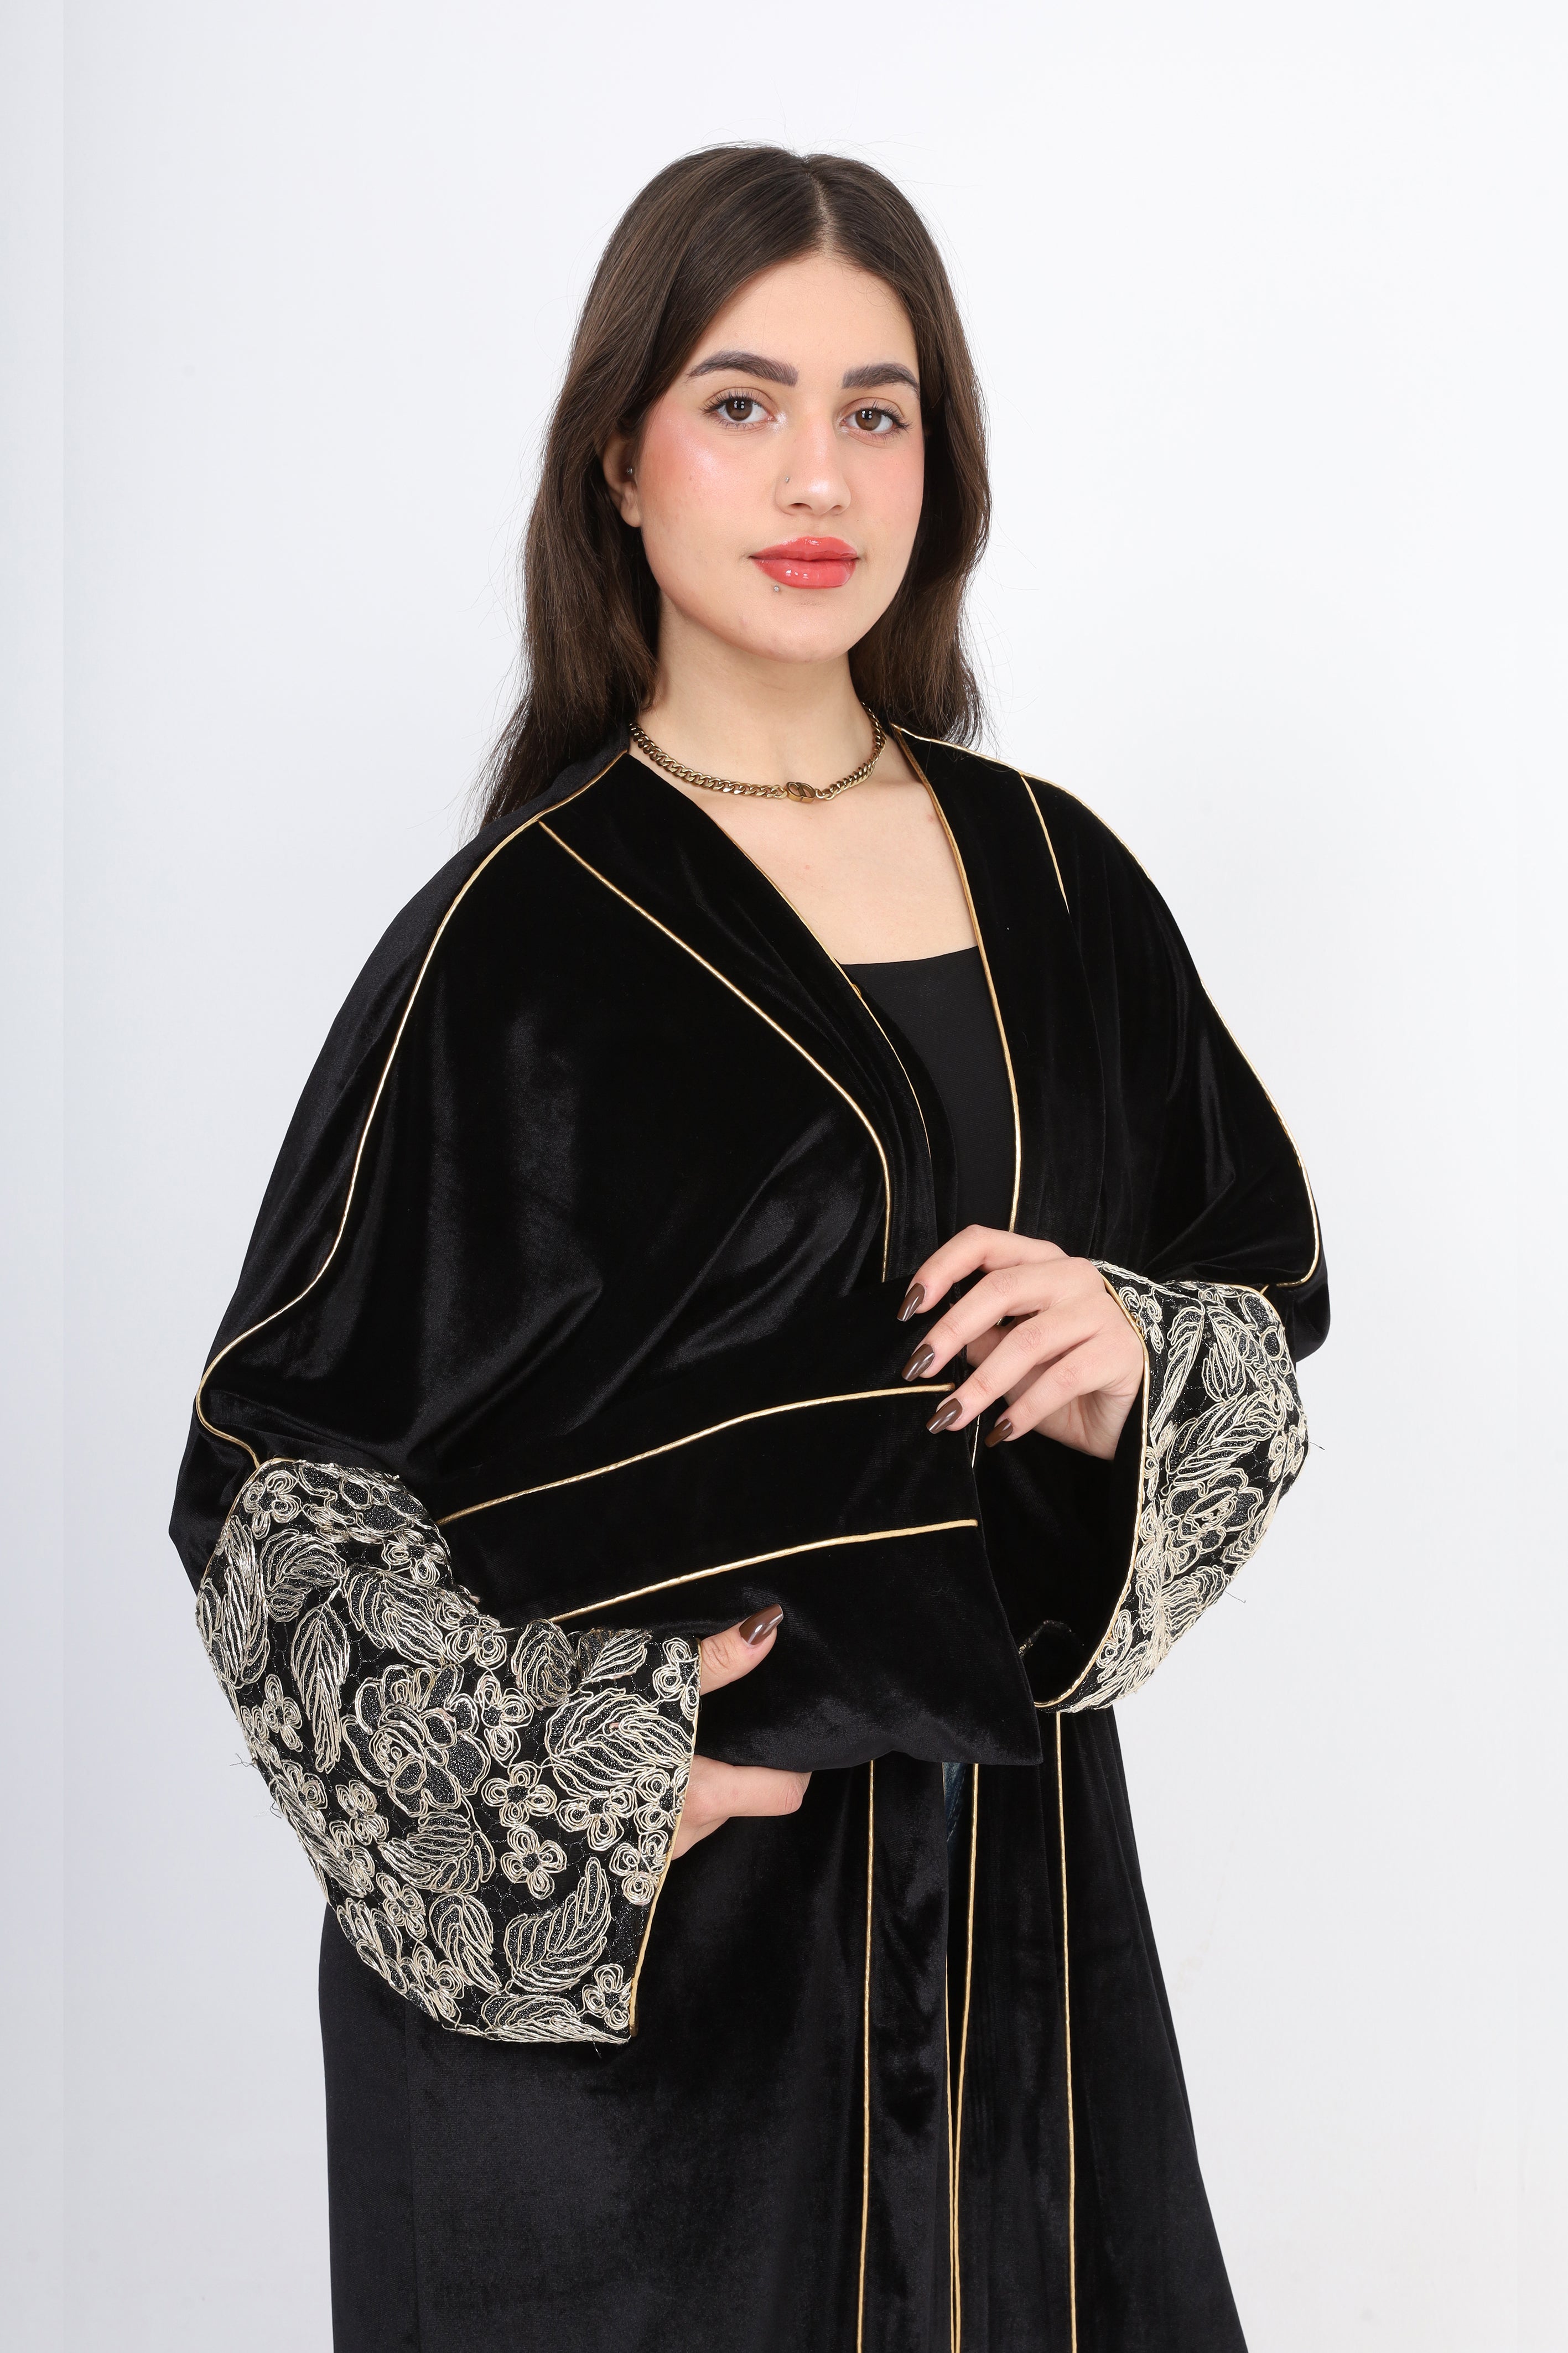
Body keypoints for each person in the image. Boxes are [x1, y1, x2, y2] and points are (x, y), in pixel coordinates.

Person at [171, 144, 1326, 2353]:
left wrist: (1138, 1356)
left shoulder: (1063, 888)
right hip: (638, 2039)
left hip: (1005, 1953)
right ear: (619, 462)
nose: (818, 475)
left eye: (877, 411)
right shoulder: (514, 940)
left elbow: (1254, 1300)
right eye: (740, 401)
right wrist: (581, 1779)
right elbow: (274, 1487)